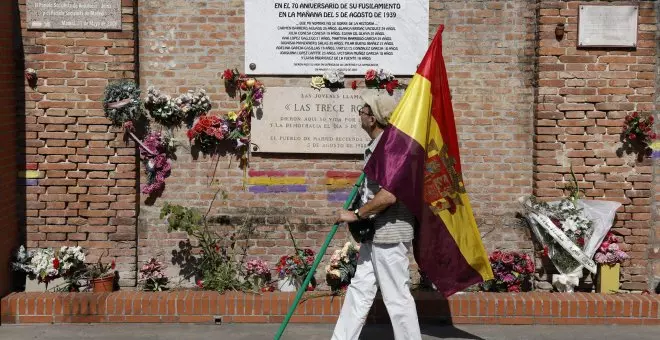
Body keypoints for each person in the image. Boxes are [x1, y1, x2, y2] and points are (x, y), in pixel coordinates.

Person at [332, 92, 422, 340]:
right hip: (376, 234)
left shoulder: (390, 149)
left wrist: (356, 214)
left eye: (362, 109)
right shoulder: (379, 147)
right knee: (359, 290)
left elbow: (389, 195)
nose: (359, 113)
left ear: (372, 118)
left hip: (390, 235)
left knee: (397, 297)